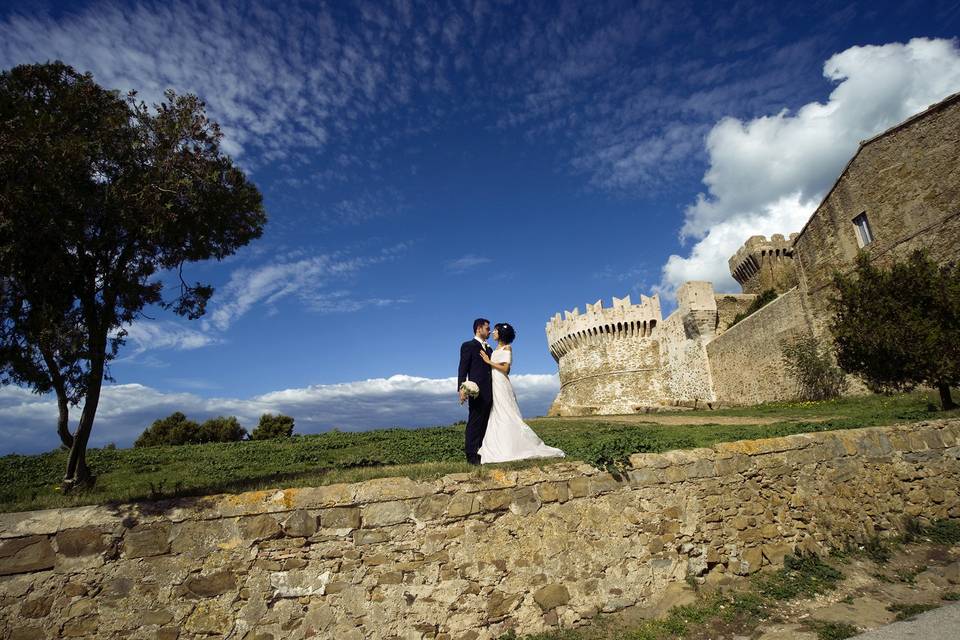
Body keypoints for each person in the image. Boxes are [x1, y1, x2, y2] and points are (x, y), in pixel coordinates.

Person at [477, 322, 565, 464]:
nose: (493, 332)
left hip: (501, 383)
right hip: (495, 382)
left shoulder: (507, 347)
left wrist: (488, 362)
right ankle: (499, 444)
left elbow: (506, 369)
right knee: (497, 412)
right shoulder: (495, 349)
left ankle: (514, 446)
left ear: (501, 334)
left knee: (506, 411)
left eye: (495, 331)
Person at [458, 318, 493, 465]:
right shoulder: (468, 346)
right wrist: (462, 388)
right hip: (476, 392)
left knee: (485, 423)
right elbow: (462, 368)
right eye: (487, 328)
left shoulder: (490, 349)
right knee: (474, 422)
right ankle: (471, 456)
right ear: (479, 329)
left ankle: (481, 453)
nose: (489, 331)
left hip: (491, 391)